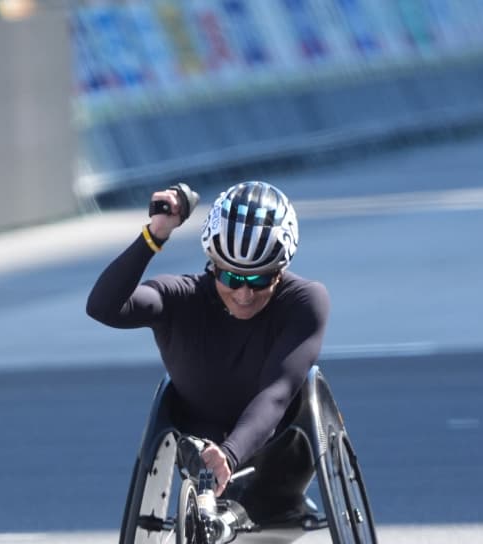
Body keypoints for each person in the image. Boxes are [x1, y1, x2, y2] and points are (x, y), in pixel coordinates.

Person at [86, 180, 330, 525]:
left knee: (297, 393)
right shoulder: (180, 298)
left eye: (259, 280)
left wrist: (230, 454)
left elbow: (277, 392)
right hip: (200, 455)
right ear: (212, 264)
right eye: (231, 276)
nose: (244, 293)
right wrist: (154, 234)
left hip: (280, 458)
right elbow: (103, 307)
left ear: (281, 270)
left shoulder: (304, 302)